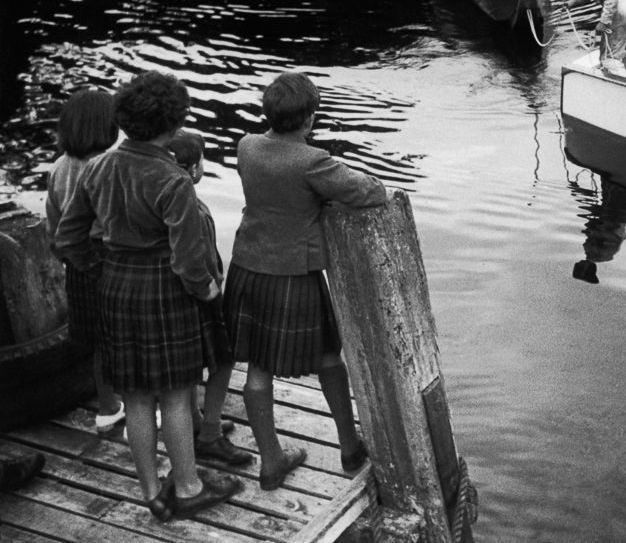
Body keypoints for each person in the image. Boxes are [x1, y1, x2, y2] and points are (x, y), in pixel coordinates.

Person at [56, 71, 241, 522]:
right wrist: (209, 291)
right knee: (176, 395)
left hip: (115, 287)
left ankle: (152, 493)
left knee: (136, 396)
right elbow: (188, 260)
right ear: (174, 124)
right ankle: (190, 486)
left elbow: (69, 237)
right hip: (164, 291)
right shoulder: (173, 180)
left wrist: (102, 270)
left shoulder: (98, 167)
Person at [223, 72, 388, 492]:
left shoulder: (247, 147)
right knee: (328, 356)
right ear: (310, 118)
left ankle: (271, 461)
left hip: (246, 267)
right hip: (294, 273)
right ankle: (350, 448)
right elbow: (370, 191)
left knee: (257, 366)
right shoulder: (312, 160)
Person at [164, 131, 252, 468]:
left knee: (188, 369)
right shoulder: (193, 209)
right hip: (201, 296)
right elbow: (197, 258)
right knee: (222, 360)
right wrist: (213, 288)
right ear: (194, 168)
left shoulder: (165, 199)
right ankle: (210, 433)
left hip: (174, 297)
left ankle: (196, 420)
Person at [44, 88, 124, 435]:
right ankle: (142, 405)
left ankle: (107, 408)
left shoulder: (59, 168)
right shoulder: (111, 166)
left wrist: (65, 257)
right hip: (111, 259)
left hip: (76, 262)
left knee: (98, 341)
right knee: (126, 336)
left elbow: (53, 222)